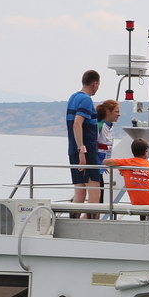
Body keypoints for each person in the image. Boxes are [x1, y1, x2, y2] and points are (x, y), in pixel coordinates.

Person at [65, 70, 102, 208]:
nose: (97, 88)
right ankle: (90, 226)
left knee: (79, 193)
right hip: (86, 152)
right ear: (94, 83)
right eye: (98, 85)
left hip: (72, 150)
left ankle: (74, 224)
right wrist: (82, 150)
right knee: (95, 194)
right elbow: (77, 123)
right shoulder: (86, 99)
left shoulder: (72, 98)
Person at [105, 138, 149, 207]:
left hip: (136, 201)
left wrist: (120, 168)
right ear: (146, 151)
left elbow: (106, 162)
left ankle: (143, 217)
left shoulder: (126, 163)